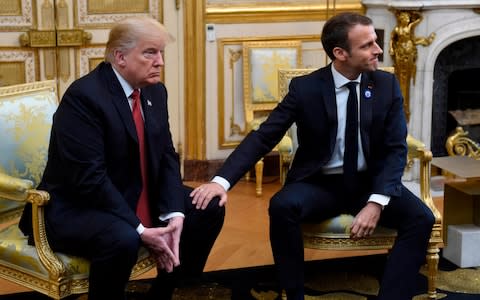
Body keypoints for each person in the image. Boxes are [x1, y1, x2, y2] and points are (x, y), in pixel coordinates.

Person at [191, 12, 434, 300]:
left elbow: (396, 148)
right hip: (320, 184)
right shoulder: (305, 88)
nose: (378, 50)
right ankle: (293, 294)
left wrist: (377, 201)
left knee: (421, 218)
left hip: (370, 182)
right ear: (340, 53)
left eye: (375, 42)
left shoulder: (384, 85)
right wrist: (221, 181)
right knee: (282, 206)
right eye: (367, 45)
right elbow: (264, 136)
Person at [19, 16, 225, 300]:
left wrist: (174, 213)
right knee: (123, 238)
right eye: (150, 52)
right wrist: (140, 228)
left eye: (161, 52)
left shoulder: (155, 90)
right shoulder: (84, 98)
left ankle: (166, 289)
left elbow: (166, 155)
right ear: (120, 56)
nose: (160, 62)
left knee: (208, 206)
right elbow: (89, 179)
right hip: (79, 206)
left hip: (134, 193)